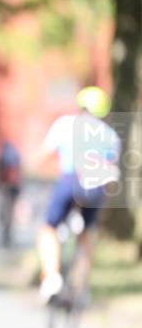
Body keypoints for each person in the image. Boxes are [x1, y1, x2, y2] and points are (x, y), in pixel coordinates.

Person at [36, 86, 121, 304]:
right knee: (87, 235)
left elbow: (45, 155)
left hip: (70, 181)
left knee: (49, 229)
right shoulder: (111, 136)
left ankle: (52, 279)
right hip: (97, 186)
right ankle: (82, 288)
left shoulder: (65, 124)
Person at [0, 140, 23, 246]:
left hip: (6, 186)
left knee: (5, 209)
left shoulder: (4, 157)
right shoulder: (15, 157)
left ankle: (6, 228)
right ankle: (8, 229)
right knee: (9, 210)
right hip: (14, 187)